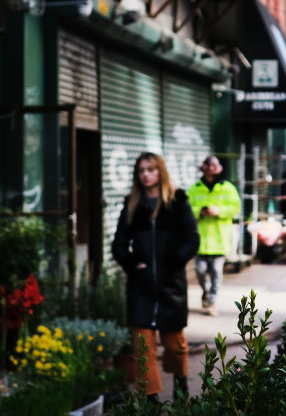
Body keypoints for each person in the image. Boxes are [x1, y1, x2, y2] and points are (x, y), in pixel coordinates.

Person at [111, 152, 198, 399]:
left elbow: (192, 239)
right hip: (141, 287)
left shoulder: (177, 201)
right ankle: (151, 398)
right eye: (141, 170)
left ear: (160, 171)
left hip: (171, 285)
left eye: (150, 169)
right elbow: (118, 245)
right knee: (143, 347)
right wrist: (131, 263)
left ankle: (180, 380)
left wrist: (175, 259)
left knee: (175, 346)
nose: (146, 174)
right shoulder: (132, 204)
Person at [186, 155, 241, 315]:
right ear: (202, 168)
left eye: (214, 166)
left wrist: (219, 211)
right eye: (207, 165)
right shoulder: (194, 189)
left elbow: (235, 208)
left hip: (220, 238)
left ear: (220, 168)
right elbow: (187, 210)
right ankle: (206, 291)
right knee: (200, 270)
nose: (211, 169)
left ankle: (212, 300)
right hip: (201, 239)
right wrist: (200, 212)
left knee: (217, 272)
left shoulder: (228, 188)